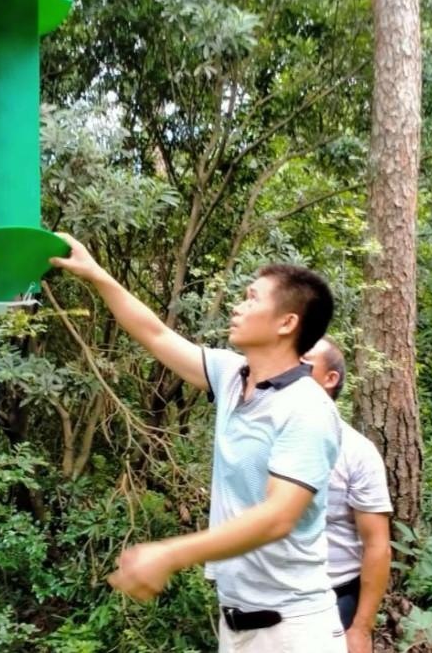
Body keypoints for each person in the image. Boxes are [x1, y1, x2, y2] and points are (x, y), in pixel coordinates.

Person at [50, 234, 346, 653]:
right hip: (236, 625)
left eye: (251, 298)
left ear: (286, 323)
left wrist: (170, 553)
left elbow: (278, 517)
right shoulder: (231, 375)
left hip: (294, 632)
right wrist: (97, 274)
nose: (237, 306)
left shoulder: (306, 409)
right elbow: (154, 335)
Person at [302, 337, 393, 653]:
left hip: (334, 599)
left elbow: (377, 545)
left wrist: (360, 629)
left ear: (330, 379)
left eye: (304, 361)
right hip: (269, 601)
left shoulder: (356, 452)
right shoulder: (263, 437)